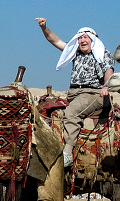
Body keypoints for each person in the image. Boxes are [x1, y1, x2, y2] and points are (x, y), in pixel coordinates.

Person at [36, 18, 114, 167]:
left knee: (71, 112)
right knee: (47, 110)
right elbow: (55, 40)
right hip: (73, 93)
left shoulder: (103, 53)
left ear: (93, 39)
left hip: (94, 93)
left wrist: (106, 86)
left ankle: (67, 153)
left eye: (86, 37)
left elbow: (108, 71)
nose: (82, 40)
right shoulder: (75, 52)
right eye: (80, 37)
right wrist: (44, 27)